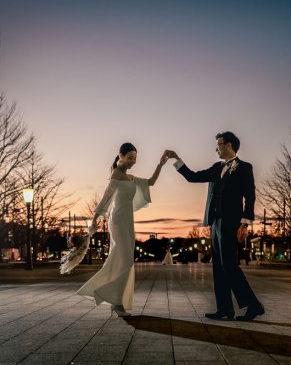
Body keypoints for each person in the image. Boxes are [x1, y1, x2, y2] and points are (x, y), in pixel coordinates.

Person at [166, 131, 264, 321]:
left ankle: (253, 305)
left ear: (229, 145)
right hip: (215, 223)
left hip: (232, 223)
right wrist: (177, 159)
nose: (216, 148)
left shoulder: (244, 167)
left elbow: (250, 196)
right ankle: (225, 309)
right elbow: (193, 177)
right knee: (218, 266)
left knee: (229, 265)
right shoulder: (216, 167)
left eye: (219, 144)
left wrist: (245, 224)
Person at [77, 143, 168, 317]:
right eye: (130, 157)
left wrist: (160, 165)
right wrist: (94, 220)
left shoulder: (131, 178)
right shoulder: (117, 174)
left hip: (128, 222)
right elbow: (106, 198)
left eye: (135, 158)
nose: (133, 161)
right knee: (126, 260)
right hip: (117, 221)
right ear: (121, 156)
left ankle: (115, 300)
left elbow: (151, 182)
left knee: (121, 260)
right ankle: (115, 301)